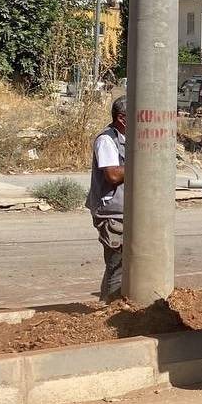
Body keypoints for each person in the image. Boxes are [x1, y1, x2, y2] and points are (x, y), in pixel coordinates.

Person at [85, 97, 127, 302]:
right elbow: (112, 175)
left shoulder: (127, 138)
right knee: (117, 267)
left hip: (125, 212)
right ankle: (108, 306)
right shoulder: (106, 140)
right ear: (122, 119)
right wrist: (143, 163)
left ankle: (110, 304)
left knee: (124, 266)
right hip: (112, 215)